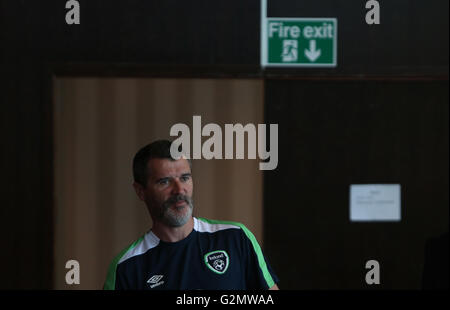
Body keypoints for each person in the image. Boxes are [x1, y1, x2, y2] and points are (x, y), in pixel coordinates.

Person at [103, 139, 279, 290]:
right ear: (141, 191)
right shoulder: (127, 267)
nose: (179, 190)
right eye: (165, 181)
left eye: (185, 178)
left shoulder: (235, 237)